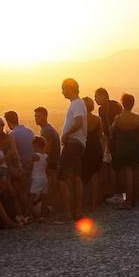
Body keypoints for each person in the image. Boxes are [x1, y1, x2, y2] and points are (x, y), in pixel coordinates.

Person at [56, 78, 87, 223]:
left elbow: (79, 122)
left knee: (62, 178)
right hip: (78, 145)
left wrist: (66, 134)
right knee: (76, 177)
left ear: (70, 88)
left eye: (63, 88)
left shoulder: (76, 104)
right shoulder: (78, 103)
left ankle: (67, 214)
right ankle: (78, 211)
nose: (62, 92)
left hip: (73, 144)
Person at [111, 93, 139, 209]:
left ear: (122, 103)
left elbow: (112, 133)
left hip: (123, 148)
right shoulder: (136, 118)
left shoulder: (118, 118)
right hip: (135, 148)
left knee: (128, 175)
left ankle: (128, 202)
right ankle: (134, 200)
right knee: (135, 174)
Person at [80, 97, 104, 211]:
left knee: (81, 176)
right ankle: (94, 203)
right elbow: (100, 136)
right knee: (95, 175)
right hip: (96, 149)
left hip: (85, 149)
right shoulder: (98, 119)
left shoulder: (80, 120)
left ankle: (80, 203)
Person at [34, 106, 61, 176]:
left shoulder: (47, 131)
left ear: (45, 117)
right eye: (35, 116)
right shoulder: (47, 129)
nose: (36, 118)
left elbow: (46, 150)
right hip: (53, 163)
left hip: (50, 165)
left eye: (38, 116)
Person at [29, 137, 50, 221]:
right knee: (44, 198)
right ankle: (42, 216)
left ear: (37, 145)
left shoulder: (35, 156)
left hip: (36, 179)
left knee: (31, 198)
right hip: (44, 178)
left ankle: (27, 215)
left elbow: (29, 165)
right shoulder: (46, 156)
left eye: (33, 146)